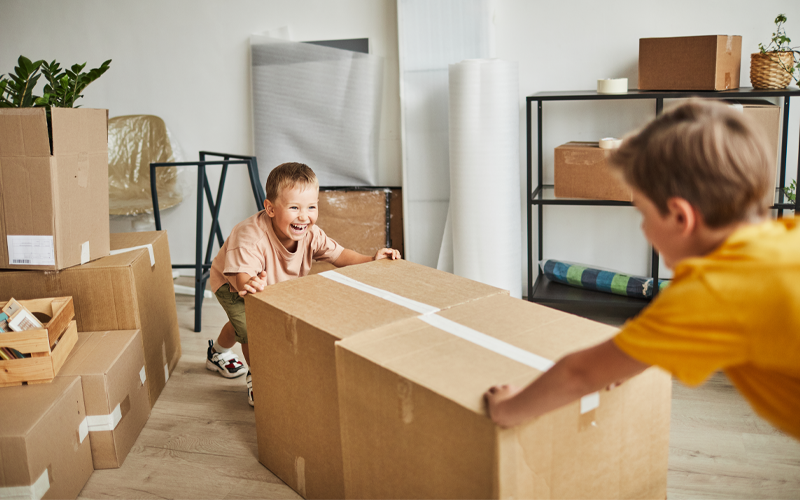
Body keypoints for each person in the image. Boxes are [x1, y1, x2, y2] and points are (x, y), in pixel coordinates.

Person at [484, 99, 800, 440]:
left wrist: (507, 408)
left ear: (681, 218)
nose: (643, 229)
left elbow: (578, 375)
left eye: (643, 214)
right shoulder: (786, 238)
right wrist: (632, 355)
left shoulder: (712, 291)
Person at [206, 162, 401, 406]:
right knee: (250, 326)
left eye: (311, 207)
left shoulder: (311, 234)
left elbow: (339, 255)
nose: (304, 216)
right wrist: (251, 283)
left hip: (270, 285)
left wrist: (371, 259)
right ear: (270, 208)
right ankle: (258, 378)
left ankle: (216, 353)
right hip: (235, 282)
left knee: (239, 325)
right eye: (294, 207)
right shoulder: (250, 237)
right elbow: (243, 278)